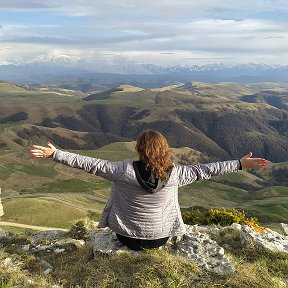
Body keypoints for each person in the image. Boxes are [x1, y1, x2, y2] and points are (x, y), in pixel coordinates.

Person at [30, 130, 268, 250]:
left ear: (138, 149)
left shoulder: (122, 170)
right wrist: (238, 164)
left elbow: (89, 164)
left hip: (127, 238)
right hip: (160, 240)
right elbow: (207, 170)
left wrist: (56, 154)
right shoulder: (176, 174)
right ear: (165, 149)